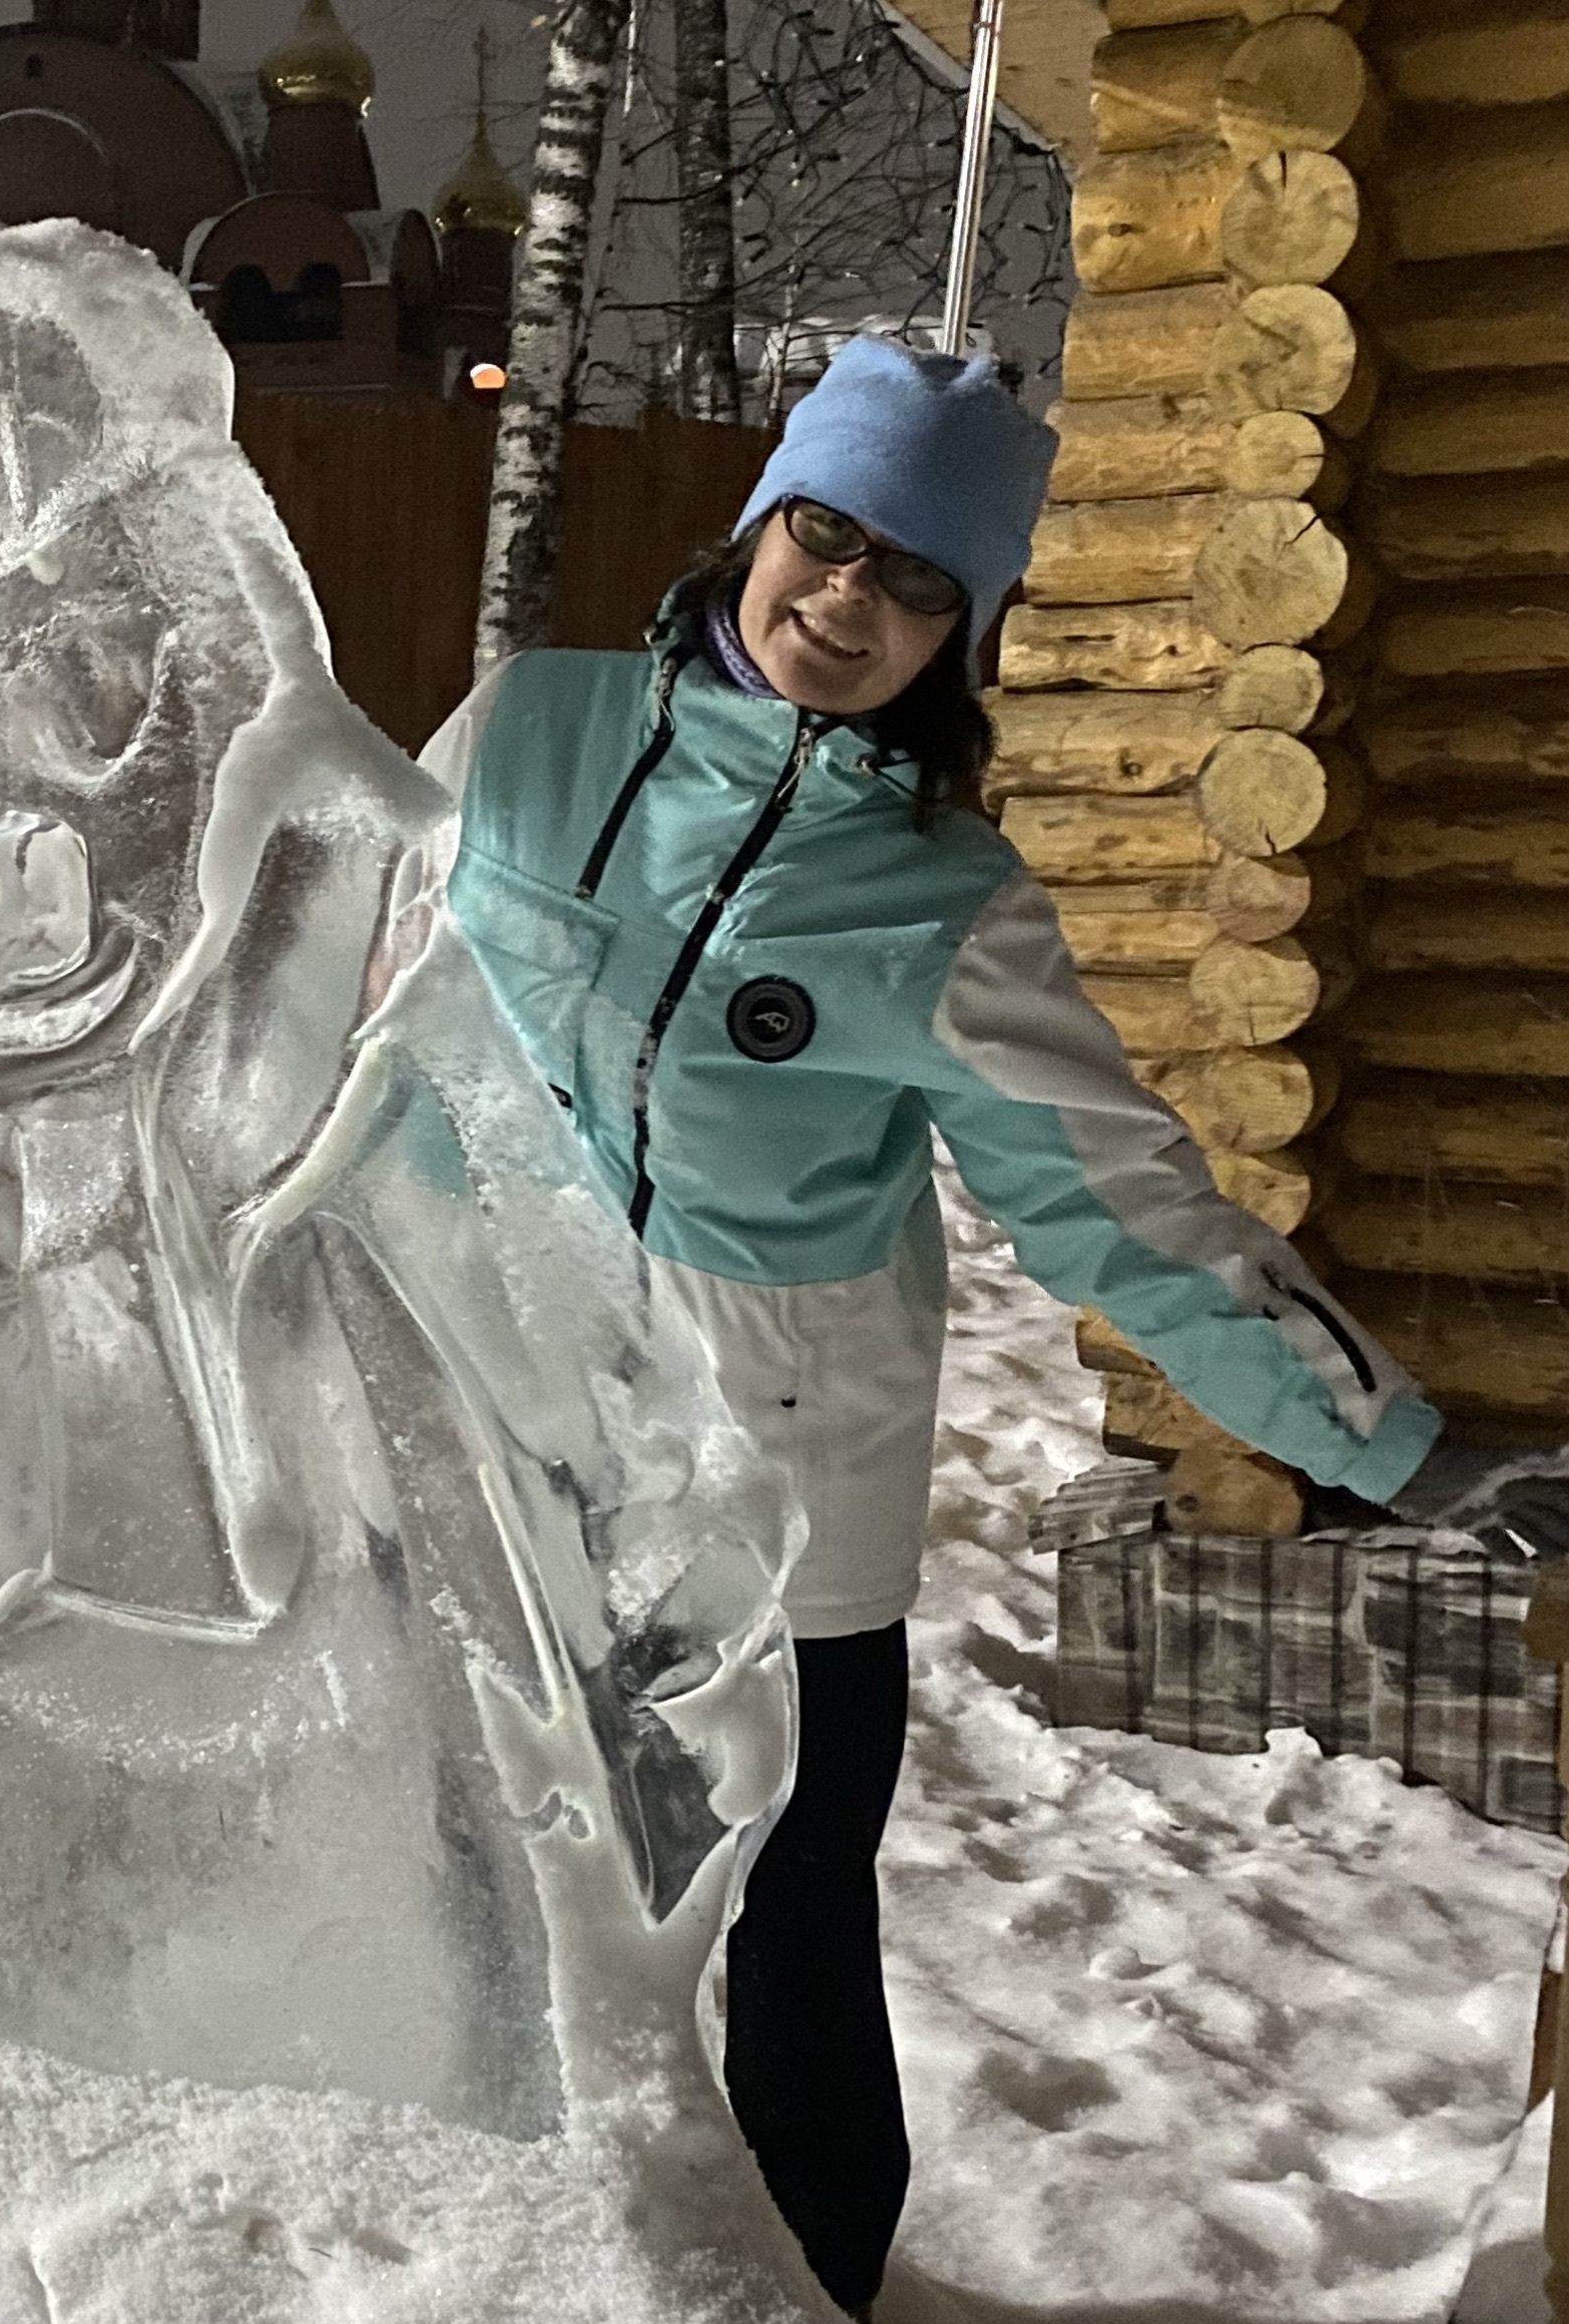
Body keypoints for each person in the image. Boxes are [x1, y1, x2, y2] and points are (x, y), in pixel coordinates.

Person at [421, 330, 1569, 2317]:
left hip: (786, 1492)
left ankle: (808, 2293)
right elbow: (348, 999)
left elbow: (1125, 1210)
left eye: (917, 578)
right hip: (500, 1424)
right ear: (758, 522)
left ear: (964, 628)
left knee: (784, 1928)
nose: (850, 599)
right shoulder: (527, 727)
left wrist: (1386, 1444)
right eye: (827, 535)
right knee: (493, 1899)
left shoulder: (946, 903)